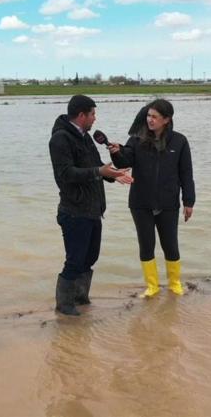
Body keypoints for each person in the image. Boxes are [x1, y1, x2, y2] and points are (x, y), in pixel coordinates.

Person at [49, 94, 133, 316]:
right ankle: (64, 306)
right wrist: (99, 172)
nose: (95, 118)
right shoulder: (60, 139)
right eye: (93, 114)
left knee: (90, 257)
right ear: (81, 115)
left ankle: (81, 298)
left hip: (93, 210)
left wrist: (114, 174)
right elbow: (65, 173)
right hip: (74, 210)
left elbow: (97, 166)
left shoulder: (86, 137)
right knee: (75, 260)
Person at [108, 99, 195, 297]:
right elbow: (125, 161)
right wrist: (116, 152)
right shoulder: (137, 140)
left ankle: (174, 284)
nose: (150, 120)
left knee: (170, 245)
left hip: (168, 203)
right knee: (146, 245)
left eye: (154, 117)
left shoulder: (179, 141)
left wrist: (188, 202)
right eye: (148, 116)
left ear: (166, 119)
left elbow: (186, 174)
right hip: (140, 203)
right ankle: (152, 287)